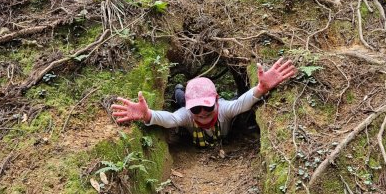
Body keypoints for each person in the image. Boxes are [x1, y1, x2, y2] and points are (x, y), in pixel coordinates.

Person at [110, 58, 297, 148]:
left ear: (216, 101)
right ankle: (179, 90)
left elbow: (242, 103)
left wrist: (261, 88)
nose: (202, 112)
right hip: (184, 103)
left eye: (206, 106)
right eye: (196, 108)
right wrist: (148, 114)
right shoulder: (188, 113)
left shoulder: (223, 108)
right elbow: (171, 119)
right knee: (180, 99)